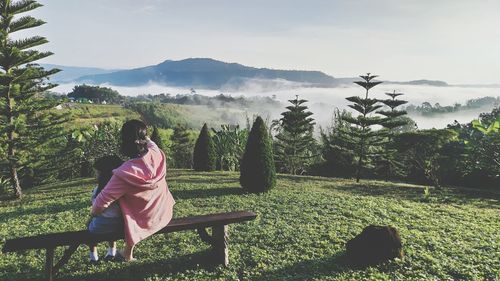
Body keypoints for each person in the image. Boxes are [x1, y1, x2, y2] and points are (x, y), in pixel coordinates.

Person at [91, 120, 175, 261]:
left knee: (119, 209)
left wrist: (93, 214)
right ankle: (127, 254)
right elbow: (150, 143)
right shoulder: (157, 154)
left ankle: (124, 253)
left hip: (140, 220)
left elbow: (101, 203)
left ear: (124, 141)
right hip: (162, 211)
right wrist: (143, 137)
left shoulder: (124, 173)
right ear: (142, 139)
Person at [87, 155, 124, 264]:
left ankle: (93, 258)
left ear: (103, 173)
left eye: (97, 172)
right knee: (111, 226)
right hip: (119, 224)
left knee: (90, 230)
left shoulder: (99, 190)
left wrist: (90, 218)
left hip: (101, 226)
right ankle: (111, 252)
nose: (96, 174)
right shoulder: (120, 187)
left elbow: (96, 209)